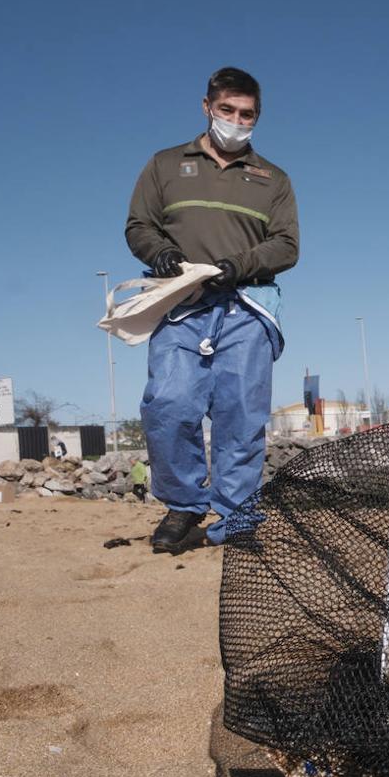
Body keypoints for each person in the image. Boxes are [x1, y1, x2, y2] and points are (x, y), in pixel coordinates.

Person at [125, 67, 299, 553]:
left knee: (241, 415)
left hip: (248, 304)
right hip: (182, 304)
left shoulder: (274, 180)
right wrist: (158, 254)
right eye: (227, 111)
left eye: (247, 115)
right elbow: (139, 225)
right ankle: (183, 505)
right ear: (207, 107)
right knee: (169, 403)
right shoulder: (164, 165)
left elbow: (287, 245)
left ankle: (237, 517)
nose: (236, 121)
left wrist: (238, 265)